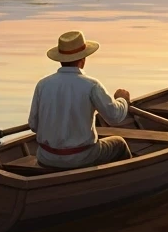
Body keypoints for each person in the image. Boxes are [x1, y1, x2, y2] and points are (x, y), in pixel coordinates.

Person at [28, 30, 132, 169]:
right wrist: (122, 100)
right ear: (83, 60)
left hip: (46, 158)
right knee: (119, 143)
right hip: (82, 158)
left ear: (60, 60)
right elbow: (114, 117)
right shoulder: (91, 85)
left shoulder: (42, 84)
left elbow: (33, 125)